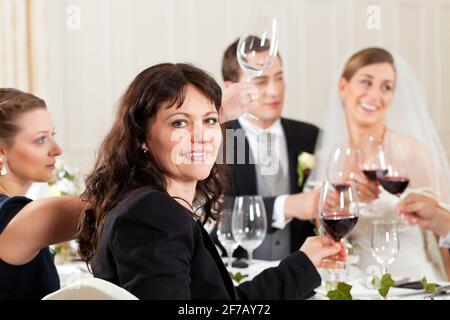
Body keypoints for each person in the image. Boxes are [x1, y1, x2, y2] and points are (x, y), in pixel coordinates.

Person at [76, 63, 344, 300]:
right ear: (141, 138)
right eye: (179, 123)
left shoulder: (149, 204)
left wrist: (304, 264)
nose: (201, 136)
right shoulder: (152, 214)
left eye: (210, 120)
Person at [313, 47, 450, 281]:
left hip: (412, 286)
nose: (375, 96)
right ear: (343, 87)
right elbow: (326, 238)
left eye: (386, 87)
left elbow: (444, 236)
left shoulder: (412, 152)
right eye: (366, 82)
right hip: (352, 288)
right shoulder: (328, 156)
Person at [217, 39, 321, 261]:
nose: (274, 91)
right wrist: (287, 206)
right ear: (230, 89)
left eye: (279, 78)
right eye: (260, 81)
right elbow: (215, 212)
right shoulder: (215, 140)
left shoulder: (311, 137)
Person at [0, 88, 85, 299]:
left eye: (52, 135)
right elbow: (115, 203)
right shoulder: (9, 217)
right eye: (40, 140)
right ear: (1, 152)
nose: (56, 149)